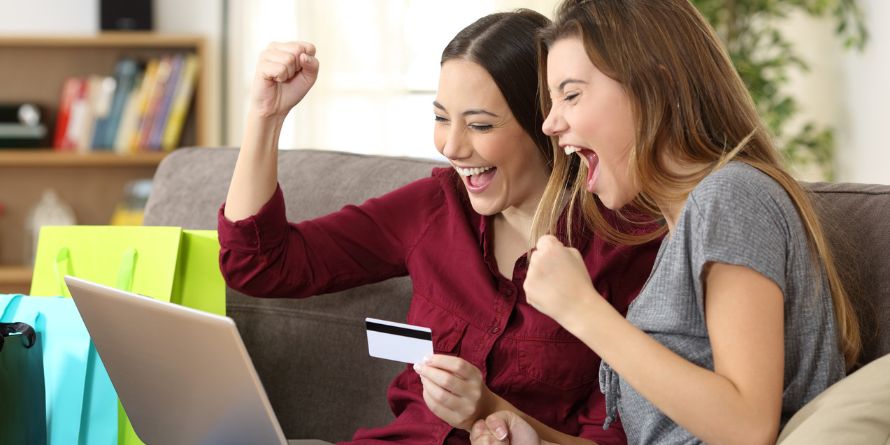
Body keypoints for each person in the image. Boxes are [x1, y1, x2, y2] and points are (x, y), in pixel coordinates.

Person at [217, 9, 660, 445]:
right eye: (441, 117)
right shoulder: (435, 207)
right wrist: (266, 116)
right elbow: (260, 266)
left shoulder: (627, 248)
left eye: (480, 124)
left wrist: (489, 409)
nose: (451, 146)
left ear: (546, 125)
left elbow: (621, 436)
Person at [470, 0, 861, 444]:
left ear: (656, 86)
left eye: (572, 94)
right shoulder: (682, 228)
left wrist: (581, 309)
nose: (549, 123)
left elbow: (748, 427)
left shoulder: (731, 196)